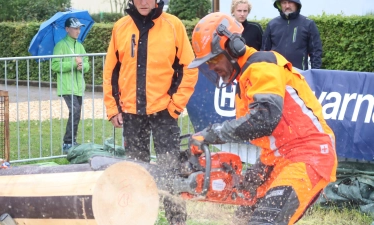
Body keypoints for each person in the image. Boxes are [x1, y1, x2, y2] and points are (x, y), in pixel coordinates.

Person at [188, 12, 337, 225]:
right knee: (242, 216)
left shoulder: (262, 66)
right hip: (275, 156)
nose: (211, 67)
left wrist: (212, 134)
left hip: (308, 155)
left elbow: (264, 118)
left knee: (264, 221)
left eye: (213, 59)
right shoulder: (245, 77)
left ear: (233, 47)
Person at [102, 0, 198, 224]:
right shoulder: (121, 27)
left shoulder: (173, 25)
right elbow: (110, 71)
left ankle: (176, 220)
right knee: (136, 171)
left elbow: (189, 68)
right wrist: (112, 107)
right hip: (132, 114)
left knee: (169, 170)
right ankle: (138, 218)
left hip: (164, 112)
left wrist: (175, 106)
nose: (144, 2)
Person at [52, 17, 90, 153]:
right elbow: (55, 65)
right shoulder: (60, 46)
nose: (78, 31)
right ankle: (68, 143)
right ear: (67, 29)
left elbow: (87, 65)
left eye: (79, 28)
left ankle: (72, 140)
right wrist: (73, 64)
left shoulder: (80, 46)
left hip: (79, 86)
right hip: (67, 86)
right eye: (75, 28)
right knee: (75, 111)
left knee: (76, 113)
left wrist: (82, 66)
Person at [261, 0, 323, 70]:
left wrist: (315, 73)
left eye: (290, 2)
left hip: (300, 74)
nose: (287, 6)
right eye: (284, 3)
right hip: (277, 74)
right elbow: (264, 52)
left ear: (297, 4)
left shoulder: (308, 24)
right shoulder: (272, 24)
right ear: (280, 5)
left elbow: (315, 52)